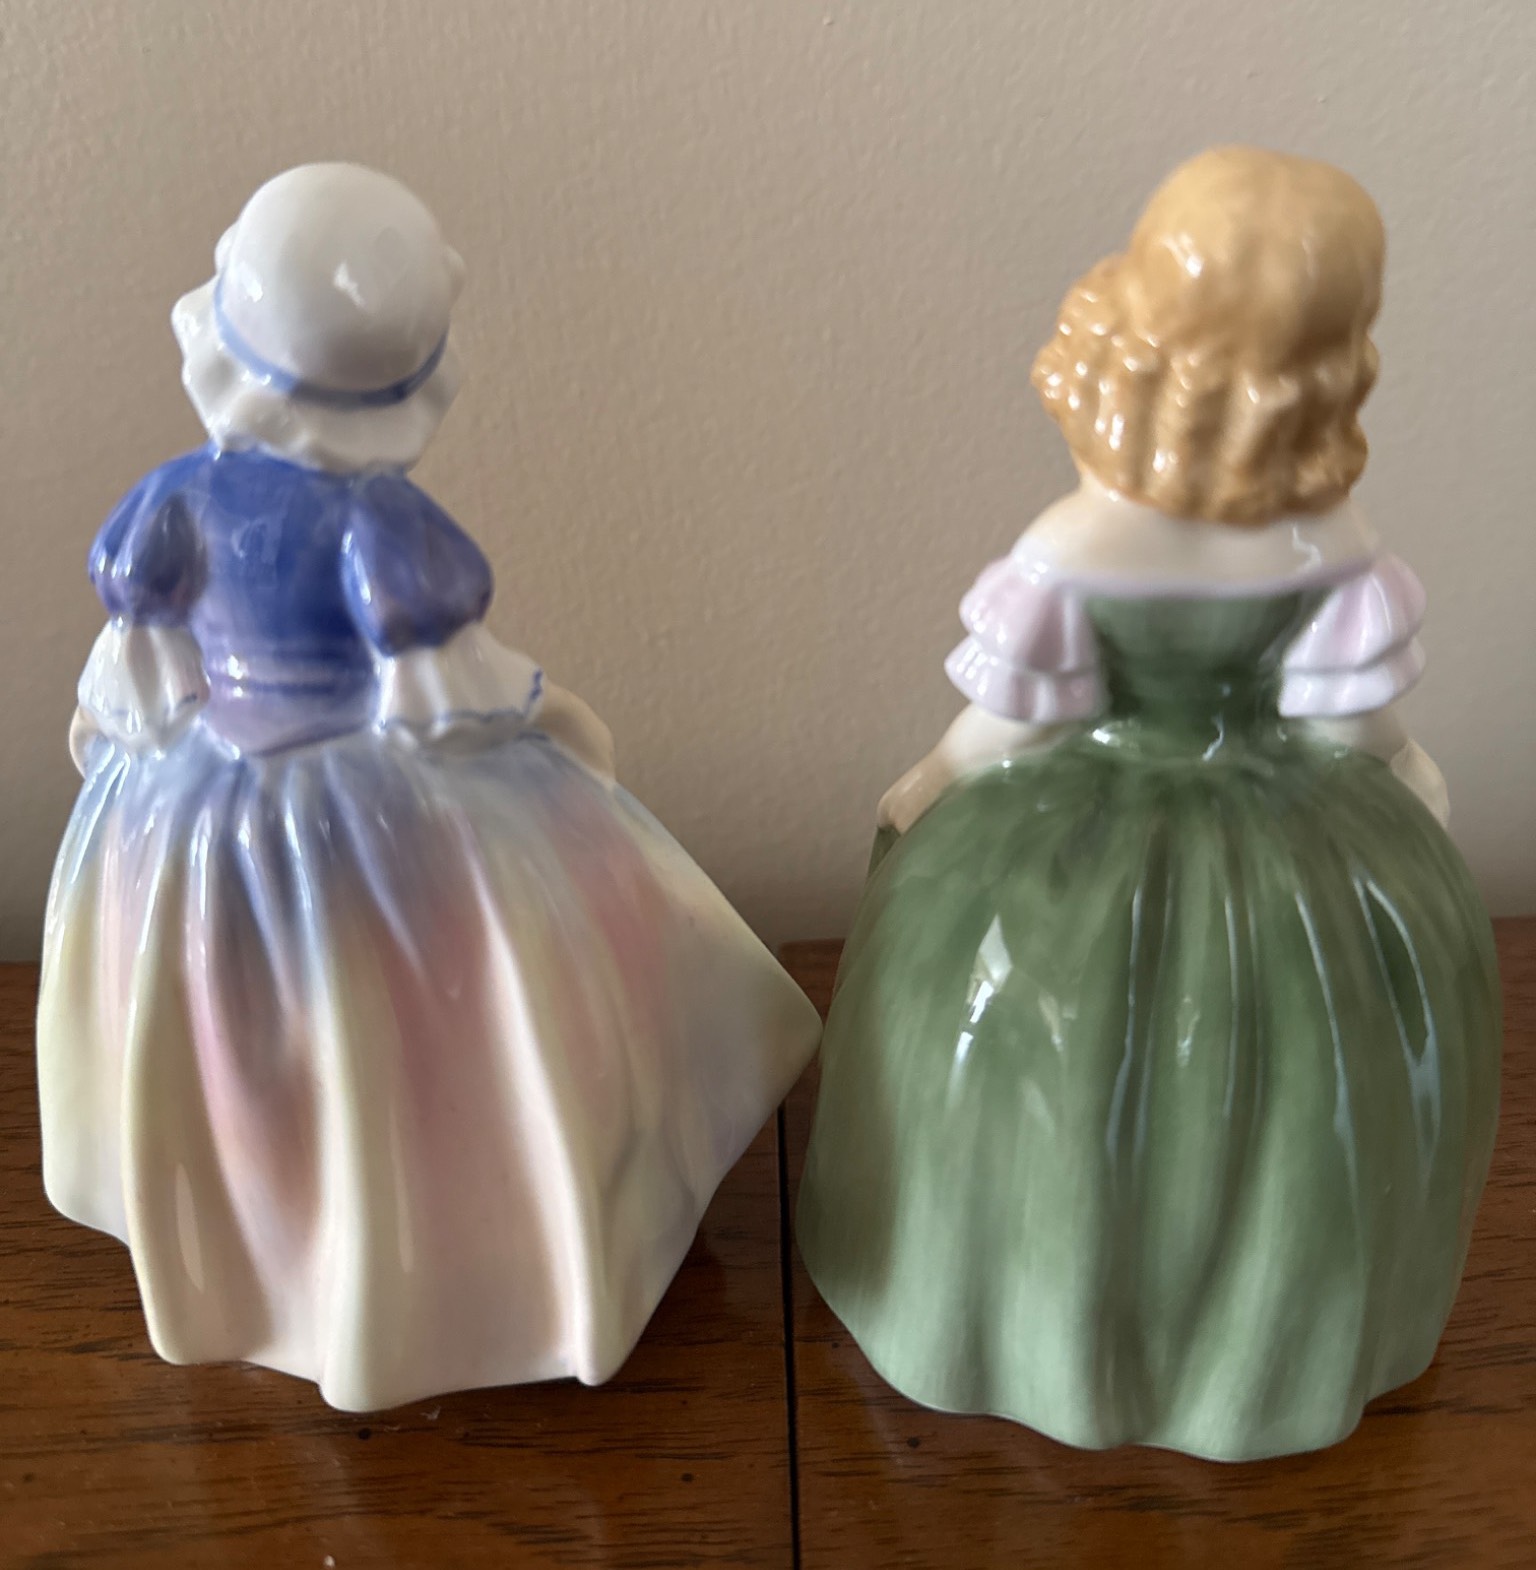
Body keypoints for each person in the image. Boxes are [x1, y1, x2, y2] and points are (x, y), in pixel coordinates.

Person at [39, 163, 821, 1412]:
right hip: (362, 815)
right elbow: (443, 664)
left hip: (196, 805)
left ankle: (293, 1246)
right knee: (435, 1012)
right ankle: (420, 1251)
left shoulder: (183, 496)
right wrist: (533, 726)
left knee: (248, 1024)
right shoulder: (374, 525)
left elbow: (140, 621)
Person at [795, 147, 1501, 1461]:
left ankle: (1008, 1320)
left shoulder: (1082, 543)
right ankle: (1260, 1355)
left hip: (1065, 838)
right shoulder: (1329, 544)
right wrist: (1407, 786)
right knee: (1303, 1098)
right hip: (1297, 840)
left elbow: (1014, 721)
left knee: (1029, 1067)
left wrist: (934, 784)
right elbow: (1356, 728)